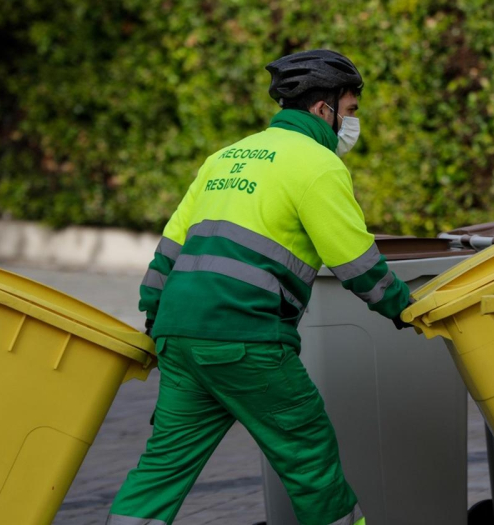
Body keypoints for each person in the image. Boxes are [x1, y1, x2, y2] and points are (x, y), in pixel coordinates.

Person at [106, 49, 410, 525]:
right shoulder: (317, 164)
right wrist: (406, 307)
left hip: (178, 337)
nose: (351, 124)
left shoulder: (224, 159)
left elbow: (169, 248)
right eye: (350, 111)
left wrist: (153, 315)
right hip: (246, 340)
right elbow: (356, 264)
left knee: (162, 471)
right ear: (321, 107)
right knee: (310, 457)